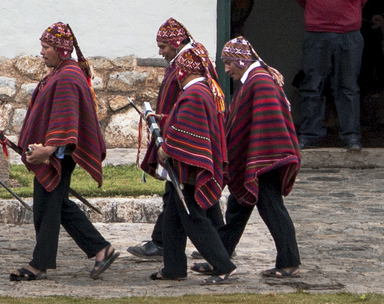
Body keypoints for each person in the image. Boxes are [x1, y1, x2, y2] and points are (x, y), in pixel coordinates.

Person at [11, 23, 117, 281]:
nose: (41, 52)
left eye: (46, 47)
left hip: (59, 156)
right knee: (59, 206)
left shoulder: (68, 77)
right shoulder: (60, 72)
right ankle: (101, 248)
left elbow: (68, 122)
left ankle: (39, 263)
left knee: (47, 209)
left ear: (61, 49)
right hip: (53, 152)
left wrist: (47, 150)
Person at [128, 18, 226, 260]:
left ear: (176, 42)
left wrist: (172, 137)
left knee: (183, 193)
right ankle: (213, 244)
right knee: (184, 193)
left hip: (187, 139)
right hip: (177, 133)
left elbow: (190, 107)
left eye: (163, 46)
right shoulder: (186, 58)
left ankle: (211, 251)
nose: (160, 52)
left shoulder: (190, 62)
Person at [209, 36, 303, 279]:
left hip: (266, 157)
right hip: (257, 156)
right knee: (238, 206)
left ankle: (289, 261)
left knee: (272, 208)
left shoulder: (259, 81)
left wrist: (257, 155)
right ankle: (219, 257)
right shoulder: (253, 79)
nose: (226, 68)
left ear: (241, 60)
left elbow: (268, 122)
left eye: (229, 62)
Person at [150, 43, 236, 285]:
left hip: (189, 169)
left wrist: (165, 148)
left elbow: (186, 131)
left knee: (194, 219)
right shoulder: (200, 91)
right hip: (185, 169)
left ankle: (223, 265)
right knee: (173, 219)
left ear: (184, 71)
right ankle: (173, 268)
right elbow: (185, 122)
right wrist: (164, 120)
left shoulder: (194, 94)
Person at [292, 0, 371, 150]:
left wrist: (346, 14)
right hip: (317, 34)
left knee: (348, 86)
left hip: (349, 35)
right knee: (312, 84)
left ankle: (350, 136)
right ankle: (309, 134)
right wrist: (321, 13)